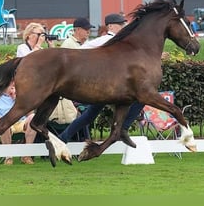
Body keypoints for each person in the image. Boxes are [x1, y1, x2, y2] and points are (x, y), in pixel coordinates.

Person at [59, 13, 144, 146]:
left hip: (107, 86)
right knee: (139, 98)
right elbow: (78, 54)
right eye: (120, 24)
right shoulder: (104, 40)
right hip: (106, 87)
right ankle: (123, 128)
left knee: (89, 116)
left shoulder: (119, 41)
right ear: (110, 26)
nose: (124, 26)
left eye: (124, 24)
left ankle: (62, 139)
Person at [0, 81, 36, 165]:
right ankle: (8, 157)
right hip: (6, 123)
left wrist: (19, 100)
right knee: (4, 124)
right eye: (11, 85)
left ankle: (26, 156)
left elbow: (30, 113)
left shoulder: (20, 96)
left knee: (33, 118)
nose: (13, 87)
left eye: (14, 85)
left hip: (21, 122)